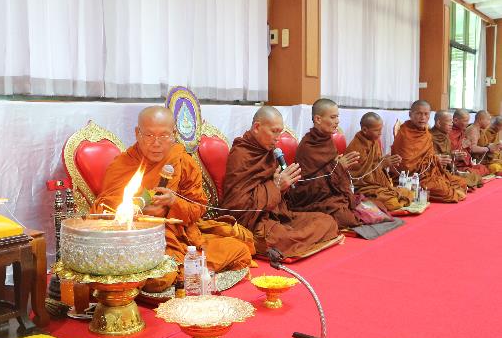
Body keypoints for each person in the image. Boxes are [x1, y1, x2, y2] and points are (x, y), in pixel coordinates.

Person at [93, 106, 254, 292]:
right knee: (160, 279)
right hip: (135, 241)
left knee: (240, 250)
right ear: (137, 133)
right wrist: (138, 211)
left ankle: (180, 269)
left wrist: (174, 203)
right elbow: (102, 208)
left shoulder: (182, 161)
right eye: (149, 135)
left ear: (174, 134)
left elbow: (198, 208)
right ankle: (183, 271)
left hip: (176, 238)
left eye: (163, 135)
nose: (156, 143)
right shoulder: (123, 164)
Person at [221, 106, 340, 259]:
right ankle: (276, 244)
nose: (278, 138)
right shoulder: (241, 154)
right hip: (253, 222)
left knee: (327, 220)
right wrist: (276, 186)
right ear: (257, 127)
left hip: (276, 216)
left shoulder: (269, 152)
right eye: (274, 131)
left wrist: (284, 186)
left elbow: (279, 196)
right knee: (285, 238)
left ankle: (287, 242)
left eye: (280, 132)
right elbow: (237, 205)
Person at [287, 98, 362, 228]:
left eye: (337, 116)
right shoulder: (307, 146)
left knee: (361, 207)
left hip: (329, 194)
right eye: (333, 117)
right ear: (318, 119)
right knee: (346, 218)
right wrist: (338, 167)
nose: (337, 121)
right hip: (310, 198)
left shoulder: (327, 140)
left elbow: (330, 169)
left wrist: (338, 167)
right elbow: (305, 185)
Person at [390, 100, 466, 202]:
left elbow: (428, 155)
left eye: (426, 114)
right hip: (412, 178)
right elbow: (406, 166)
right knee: (445, 191)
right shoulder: (404, 135)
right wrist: (434, 159)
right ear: (410, 114)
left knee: (461, 182)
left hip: (429, 173)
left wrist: (435, 159)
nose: (423, 117)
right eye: (419, 113)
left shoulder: (426, 133)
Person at [345, 112, 412, 211]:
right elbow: (357, 177)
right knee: (392, 202)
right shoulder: (356, 147)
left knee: (408, 192)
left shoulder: (374, 141)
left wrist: (386, 161)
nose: (380, 133)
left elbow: (375, 162)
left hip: (378, 186)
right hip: (364, 188)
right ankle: (395, 202)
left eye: (381, 129)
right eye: (377, 130)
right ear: (365, 130)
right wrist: (381, 165)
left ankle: (395, 201)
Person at [430, 110, 481, 189]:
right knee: (461, 184)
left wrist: (454, 155)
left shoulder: (446, 136)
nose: (451, 124)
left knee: (475, 178)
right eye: (449, 122)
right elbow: (426, 159)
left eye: (451, 121)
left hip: (448, 170)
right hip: (434, 173)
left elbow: (447, 155)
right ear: (439, 123)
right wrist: (436, 159)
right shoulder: (429, 137)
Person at [449, 109, 489, 179]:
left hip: (466, 164)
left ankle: (466, 173)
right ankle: (464, 174)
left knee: (483, 168)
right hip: (455, 165)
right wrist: (461, 147)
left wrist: (467, 146)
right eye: (465, 121)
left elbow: (468, 150)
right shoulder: (449, 132)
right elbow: (447, 152)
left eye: (468, 121)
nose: (467, 123)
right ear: (455, 120)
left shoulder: (462, 131)